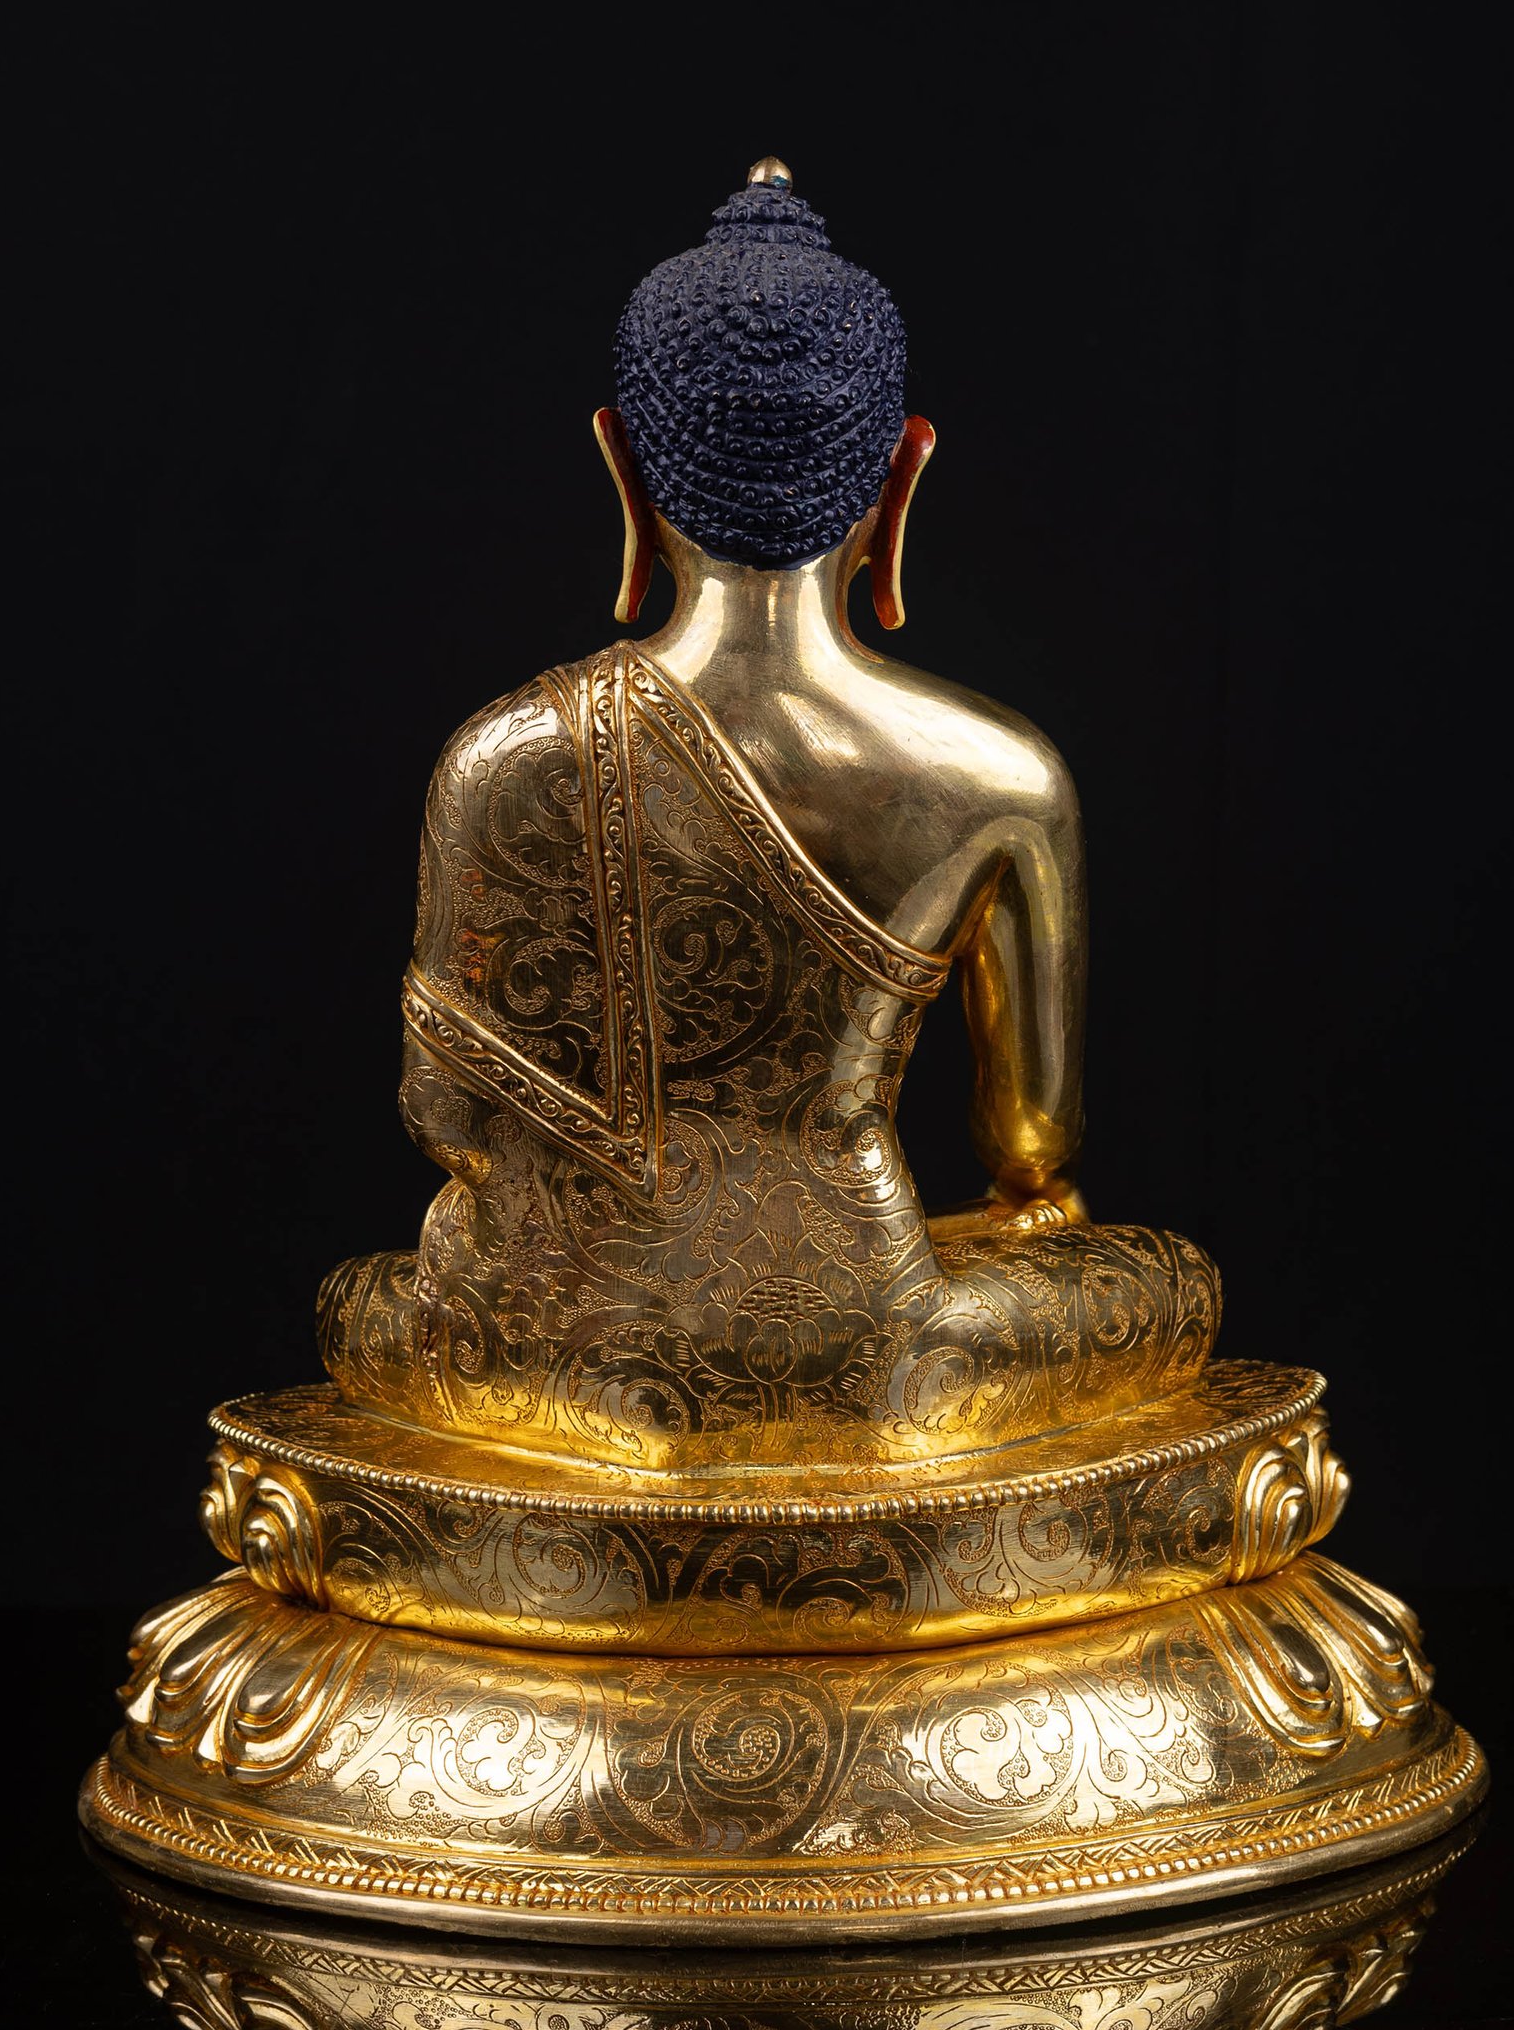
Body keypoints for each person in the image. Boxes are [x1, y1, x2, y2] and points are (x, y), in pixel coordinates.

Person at [319, 163, 1220, 1473]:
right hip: (879, 1346)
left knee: (356, 1302)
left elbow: (445, 1121)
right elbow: (1033, 1152)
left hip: (548, 1344)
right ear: (901, 476)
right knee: (1166, 1282)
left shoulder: (492, 759)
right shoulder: (1003, 776)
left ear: (622, 466)